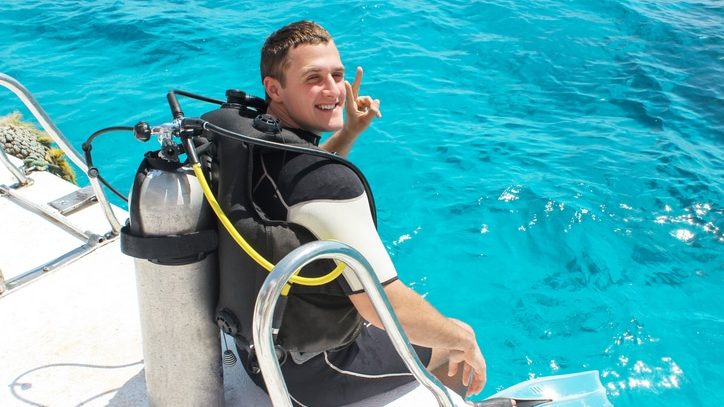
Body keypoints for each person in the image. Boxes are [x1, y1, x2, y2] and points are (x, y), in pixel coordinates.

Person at [225, 20, 519, 407]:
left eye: (337, 75)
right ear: (274, 88)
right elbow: (383, 306)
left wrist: (349, 132)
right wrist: (464, 340)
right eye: (313, 78)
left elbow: (295, 192)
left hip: (257, 352)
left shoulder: (250, 142)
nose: (333, 89)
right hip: (316, 372)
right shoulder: (331, 186)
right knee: (454, 340)